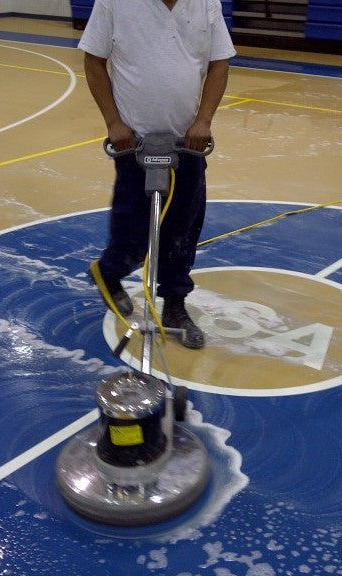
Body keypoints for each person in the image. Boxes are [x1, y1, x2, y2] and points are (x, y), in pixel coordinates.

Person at [78, 0, 236, 349]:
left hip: (188, 144)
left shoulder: (205, 3)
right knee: (133, 230)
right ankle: (110, 273)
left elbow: (219, 64)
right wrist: (113, 123)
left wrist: (204, 121)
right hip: (133, 143)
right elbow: (93, 60)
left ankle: (175, 306)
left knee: (181, 229)